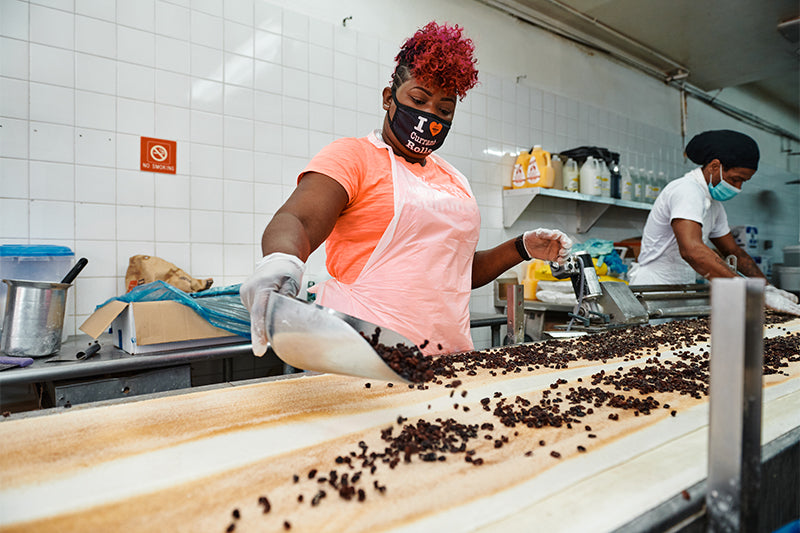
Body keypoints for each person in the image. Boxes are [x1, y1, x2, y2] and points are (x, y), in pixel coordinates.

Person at [240, 21, 572, 356]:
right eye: (418, 99)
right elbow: (298, 220)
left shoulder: (455, 180)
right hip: (363, 357)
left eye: (444, 110)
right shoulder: (354, 156)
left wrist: (520, 247)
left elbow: (452, 274)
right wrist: (281, 261)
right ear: (388, 98)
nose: (430, 117)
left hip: (449, 360)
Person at [630, 129, 800, 315]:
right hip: (652, 293)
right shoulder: (686, 190)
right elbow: (692, 250)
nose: (738, 188)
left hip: (679, 293)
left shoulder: (713, 205)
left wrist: (767, 288)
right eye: (735, 179)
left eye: (743, 182)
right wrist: (752, 292)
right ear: (714, 166)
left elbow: (733, 251)